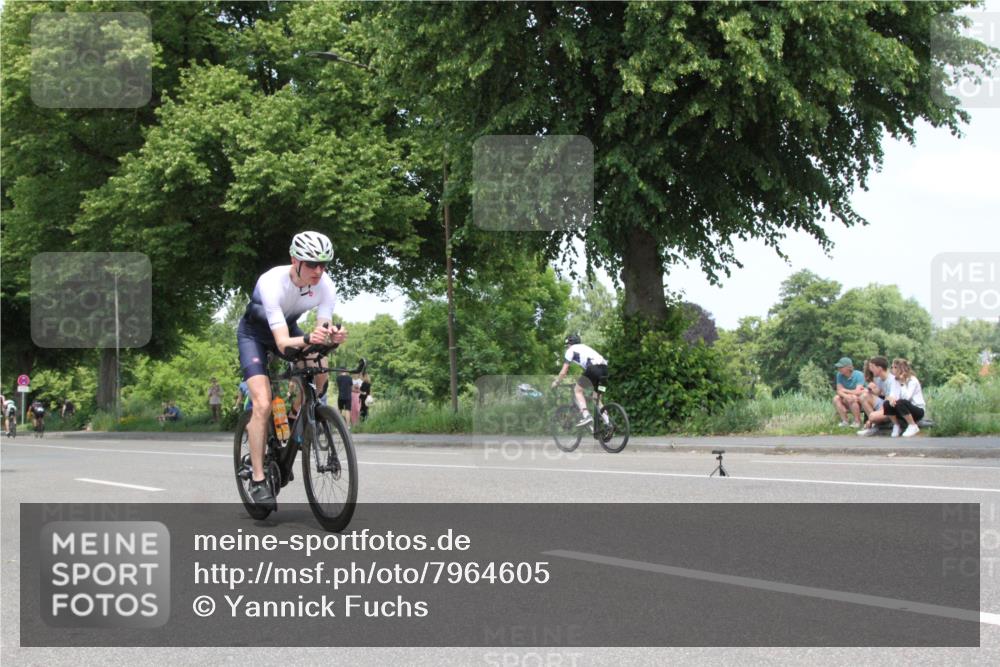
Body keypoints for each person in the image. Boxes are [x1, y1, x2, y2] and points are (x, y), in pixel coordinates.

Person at [236, 231, 346, 510]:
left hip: (287, 329)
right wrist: (309, 338)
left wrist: (332, 337)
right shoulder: (272, 282)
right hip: (255, 336)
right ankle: (258, 478)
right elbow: (283, 343)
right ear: (295, 260)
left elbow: (321, 333)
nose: (318, 271)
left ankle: (299, 416)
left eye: (323, 264)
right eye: (312, 264)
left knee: (320, 368)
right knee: (262, 403)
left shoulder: (326, 285)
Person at [551, 333, 609, 428]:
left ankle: (586, 415)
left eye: (567, 345)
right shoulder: (585, 347)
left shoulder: (571, 350)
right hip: (605, 371)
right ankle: (608, 423)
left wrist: (557, 382)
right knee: (597, 399)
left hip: (593, 369)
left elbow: (564, 370)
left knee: (577, 391)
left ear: (569, 344)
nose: (567, 347)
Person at [884, 358, 926, 438]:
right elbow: (892, 395)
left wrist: (902, 383)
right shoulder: (894, 380)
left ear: (901, 369)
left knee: (901, 402)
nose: (892, 369)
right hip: (902, 409)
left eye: (895, 367)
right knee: (887, 403)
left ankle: (913, 425)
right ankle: (896, 425)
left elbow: (906, 398)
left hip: (917, 410)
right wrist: (890, 399)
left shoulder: (912, 380)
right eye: (892, 367)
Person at [857, 356, 895, 437]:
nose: (870, 369)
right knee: (864, 396)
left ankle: (874, 425)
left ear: (879, 368)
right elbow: (878, 393)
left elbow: (891, 401)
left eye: (872, 367)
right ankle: (874, 425)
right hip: (885, 404)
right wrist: (870, 389)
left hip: (892, 407)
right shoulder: (879, 379)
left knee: (872, 416)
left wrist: (870, 419)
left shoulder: (892, 380)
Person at [832, 357, 865, 428]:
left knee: (852, 398)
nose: (839, 369)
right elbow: (839, 390)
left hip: (861, 399)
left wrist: (845, 391)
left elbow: (858, 392)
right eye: (838, 367)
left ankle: (857, 421)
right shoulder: (839, 375)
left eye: (841, 367)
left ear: (848, 367)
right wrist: (846, 396)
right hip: (847, 398)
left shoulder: (859, 375)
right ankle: (845, 421)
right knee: (836, 398)